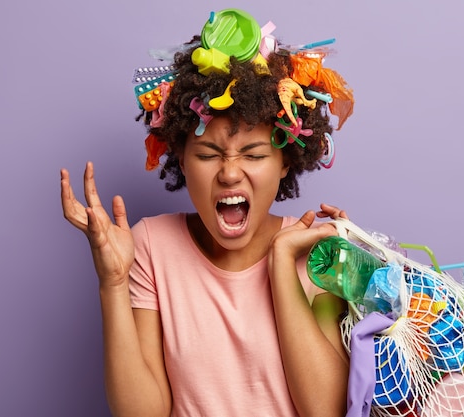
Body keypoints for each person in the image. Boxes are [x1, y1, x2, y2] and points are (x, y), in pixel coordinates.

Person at [61, 8, 355, 417]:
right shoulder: (150, 246)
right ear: (181, 158)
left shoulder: (320, 251)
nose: (230, 172)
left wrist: (283, 264)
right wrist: (113, 283)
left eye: (253, 154)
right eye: (207, 154)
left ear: (286, 160)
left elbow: (326, 410)